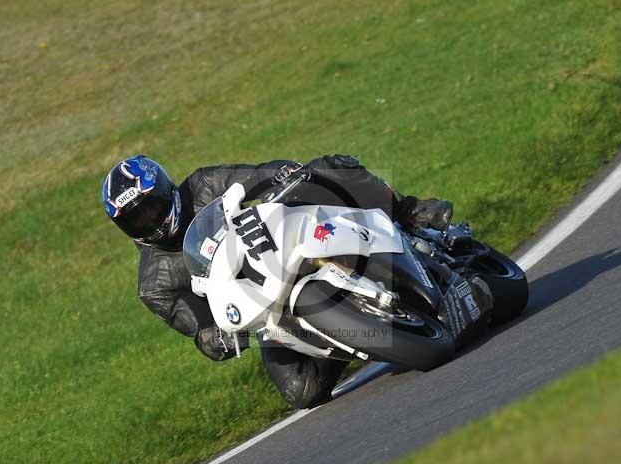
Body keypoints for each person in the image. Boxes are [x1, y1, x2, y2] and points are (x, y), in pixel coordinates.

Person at [102, 153, 490, 409]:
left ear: (167, 190)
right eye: (136, 219)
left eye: (152, 207)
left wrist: (280, 174)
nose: (150, 220)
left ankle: (408, 213)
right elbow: (198, 325)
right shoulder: (154, 284)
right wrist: (211, 337)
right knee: (301, 390)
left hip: (288, 243)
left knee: (329, 167)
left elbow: (253, 177)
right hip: (269, 309)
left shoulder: (202, 185)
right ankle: (366, 336)